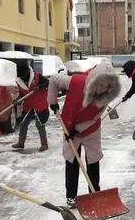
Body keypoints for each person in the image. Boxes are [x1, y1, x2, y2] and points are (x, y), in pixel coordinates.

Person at [48, 60, 120, 208]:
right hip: (69, 125)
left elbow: (95, 116)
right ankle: (71, 197)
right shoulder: (75, 81)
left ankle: (94, 194)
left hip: (92, 129)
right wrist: (52, 101)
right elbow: (53, 79)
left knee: (93, 162)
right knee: (72, 160)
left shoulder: (107, 94)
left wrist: (77, 130)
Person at [12, 62, 49, 152]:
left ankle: (44, 144)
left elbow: (47, 82)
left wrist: (39, 87)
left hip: (40, 104)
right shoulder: (20, 81)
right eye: (20, 76)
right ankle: (21, 143)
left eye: (23, 75)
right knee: (23, 123)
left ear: (28, 71)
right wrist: (18, 100)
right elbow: (22, 94)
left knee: (39, 125)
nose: (22, 77)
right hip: (28, 105)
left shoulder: (37, 76)